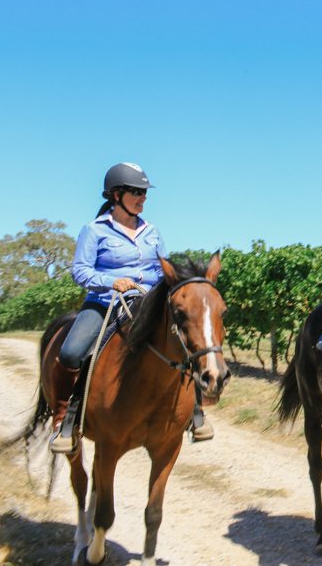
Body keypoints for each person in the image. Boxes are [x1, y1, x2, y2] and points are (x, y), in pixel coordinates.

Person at [48, 163, 214, 454]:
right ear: (116, 195)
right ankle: (65, 419)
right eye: (136, 192)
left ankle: (195, 411)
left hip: (147, 303)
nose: (143, 197)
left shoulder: (152, 232)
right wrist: (112, 282)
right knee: (71, 352)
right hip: (106, 302)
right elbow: (80, 271)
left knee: (186, 340)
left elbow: (162, 270)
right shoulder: (94, 230)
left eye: (144, 192)